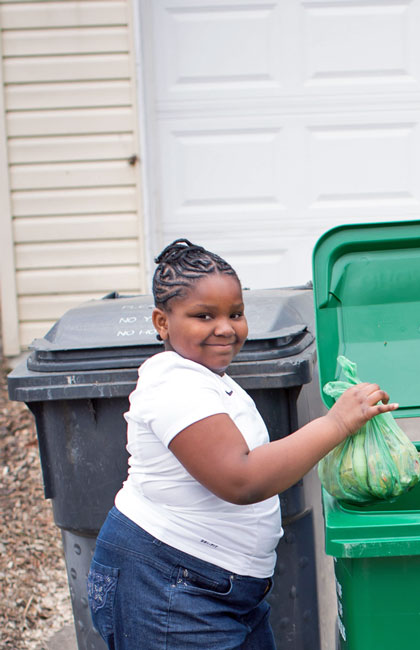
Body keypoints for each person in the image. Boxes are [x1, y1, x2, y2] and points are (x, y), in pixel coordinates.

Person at [86, 239, 397, 649]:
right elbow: (241, 479)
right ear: (161, 322)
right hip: (168, 584)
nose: (226, 327)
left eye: (236, 313)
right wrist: (336, 423)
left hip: (218, 587)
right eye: (204, 315)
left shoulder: (208, 379)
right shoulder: (172, 383)